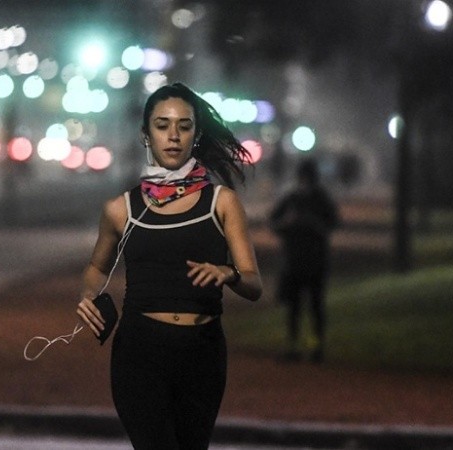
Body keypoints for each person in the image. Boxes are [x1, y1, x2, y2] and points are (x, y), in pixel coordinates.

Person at [76, 82, 262, 449]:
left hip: (202, 353)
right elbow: (98, 268)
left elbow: (254, 285)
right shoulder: (121, 209)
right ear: (146, 135)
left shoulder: (221, 203)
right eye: (162, 126)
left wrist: (228, 274)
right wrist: (87, 296)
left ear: (196, 134)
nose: (173, 136)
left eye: (184, 126)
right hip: (140, 351)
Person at [268, 158, 339, 363]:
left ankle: (316, 348)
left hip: (314, 261)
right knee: (295, 307)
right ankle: (294, 347)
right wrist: (287, 223)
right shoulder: (292, 198)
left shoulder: (320, 199)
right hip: (295, 261)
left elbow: (332, 223)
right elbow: (274, 222)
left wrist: (312, 223)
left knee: (315, 306)